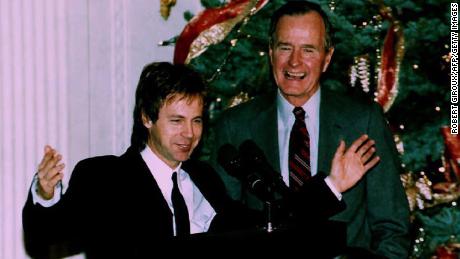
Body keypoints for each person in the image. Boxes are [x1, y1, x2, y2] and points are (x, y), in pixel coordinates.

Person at [23, 61, 378, 258]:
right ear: (147, 118)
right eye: (176, 121)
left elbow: (268, 224)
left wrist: (332, 184)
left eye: (196, 121)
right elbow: (47, 234)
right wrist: (45, 193)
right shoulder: (107, 176)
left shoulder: (203, 178)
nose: (189, 134)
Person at [209, 1, 410, 258]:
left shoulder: (362, 121)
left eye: (308, 50)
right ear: (271, 52)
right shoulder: (235, 126)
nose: (295, 62)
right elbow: (223, 229)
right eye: (285, 48)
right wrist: (332, 186)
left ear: (327, 58)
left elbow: (392, 228)